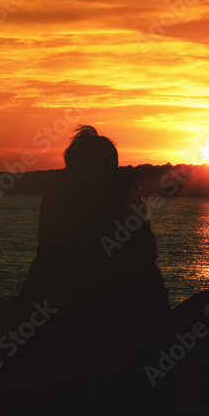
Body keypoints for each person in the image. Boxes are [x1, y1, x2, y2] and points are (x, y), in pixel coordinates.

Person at [19, 125, 170, 325]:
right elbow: (144, 243)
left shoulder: (60, 189)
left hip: (61, 289)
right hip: (98, 296)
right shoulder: (118, 186)